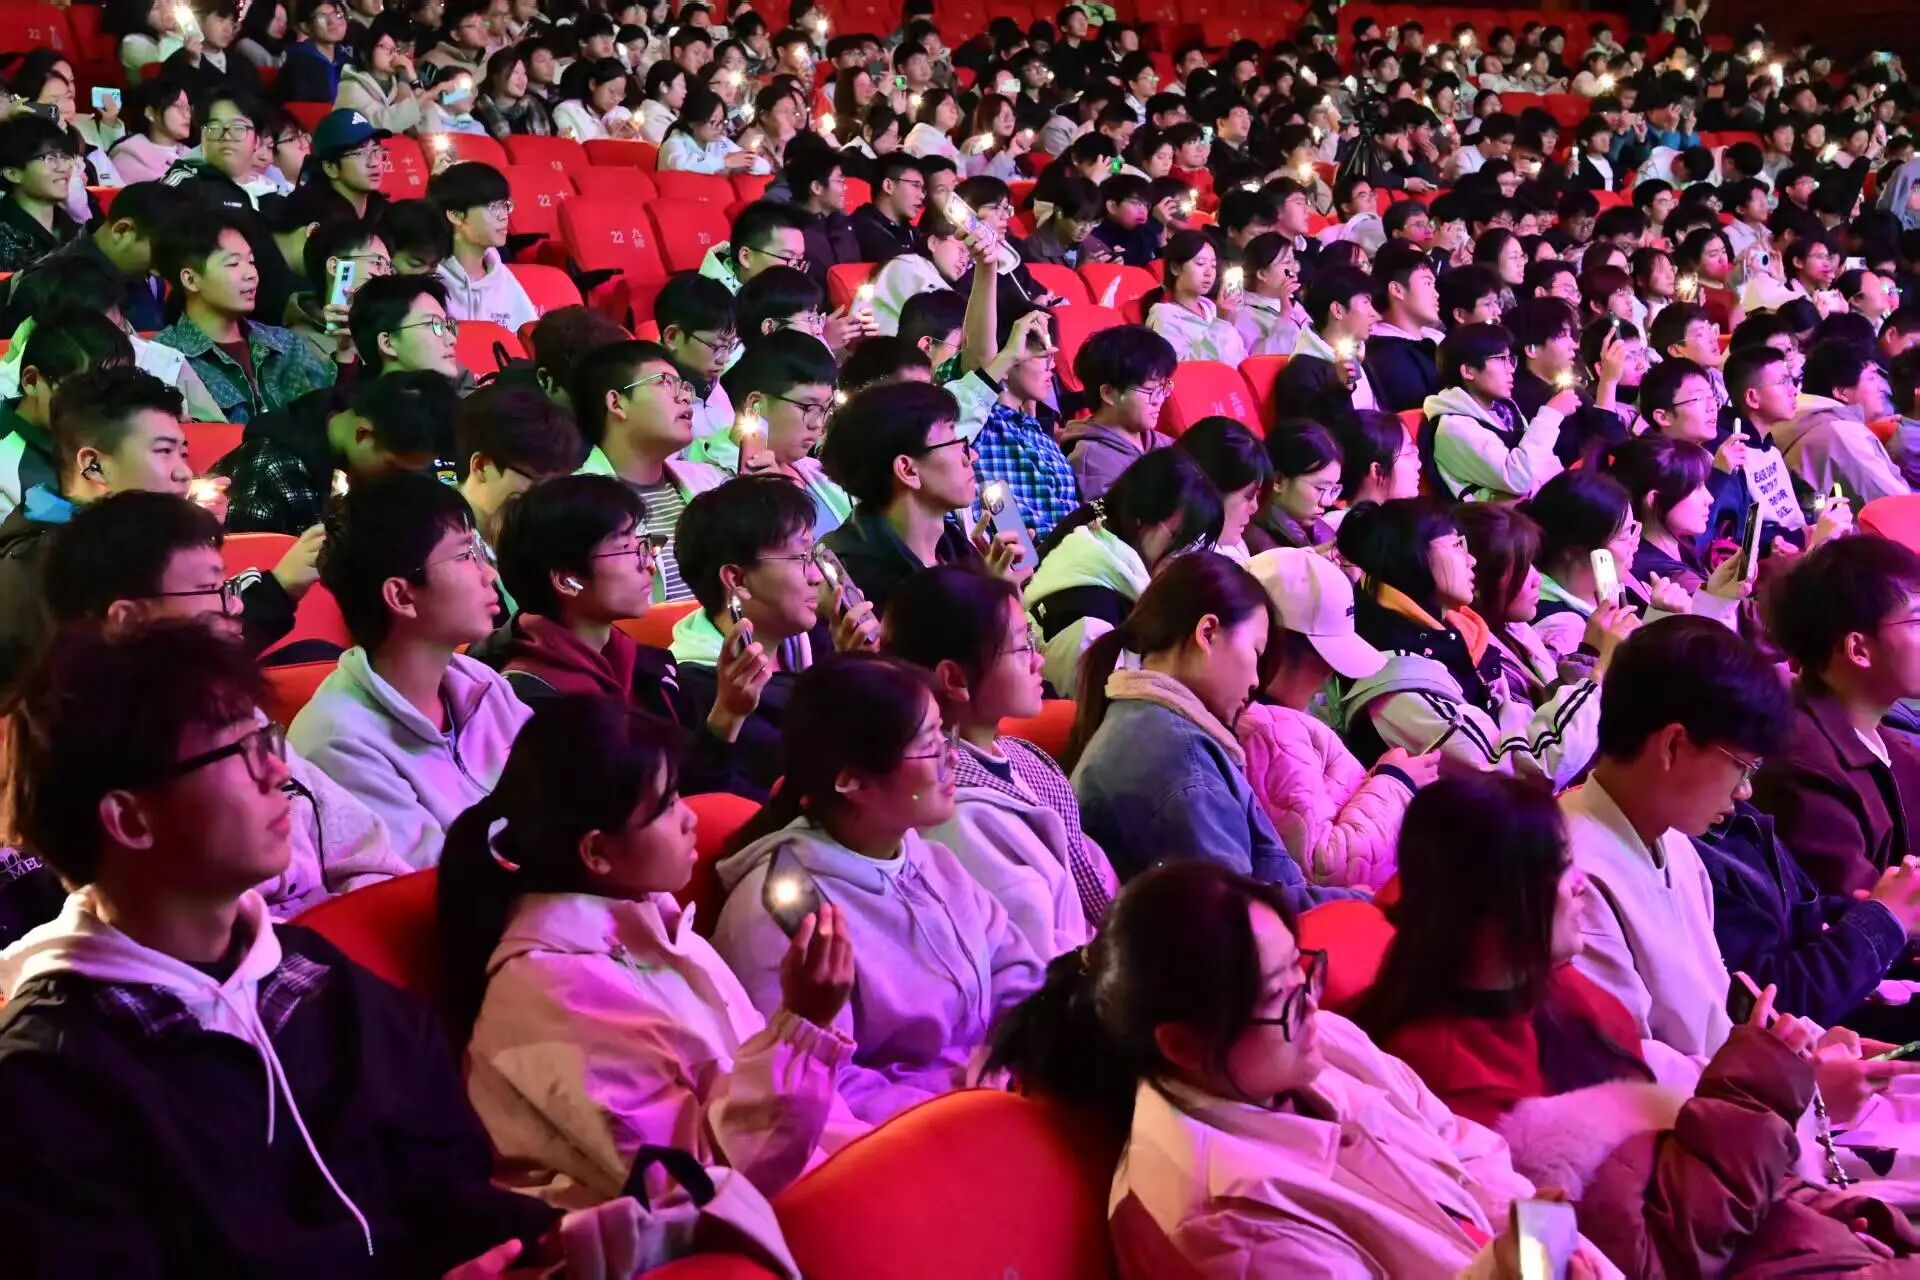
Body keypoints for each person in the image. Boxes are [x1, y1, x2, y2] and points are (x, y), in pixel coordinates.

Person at [0, 621, 586, 1275]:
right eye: (240, 752)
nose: (280, 773)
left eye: (267, 741)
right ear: (130, 820)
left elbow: (448, 1190)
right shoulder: (47, 1082)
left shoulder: (315, 975)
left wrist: (568, 1237)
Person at [1359, 775, 1920, 1279]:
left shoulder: (1562, 992)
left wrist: (1795, 1070)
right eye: (1558, 867)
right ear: (1495, 899)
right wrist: (1772, 1089)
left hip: (1768, 1209)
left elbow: (1678, 1116)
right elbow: (1601, 1258)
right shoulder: (1448, 1083)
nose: (1580, 884)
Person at [987, 859, 1587, 1279]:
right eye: (1280, 994)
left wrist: (1536, 1237)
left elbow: (1461, 1144)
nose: (1312, 1005)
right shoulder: (1226, 1227)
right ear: (1182, 1044)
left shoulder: (1317, 1048)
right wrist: (1524, 1261)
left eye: (1302, 970)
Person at [442, 690, 867, 1205]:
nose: (690, 819)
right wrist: (803, 1028)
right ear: (597, 851)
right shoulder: (554, 993)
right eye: (667, 807)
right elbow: (700, 1184)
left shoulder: (651, 920)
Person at [35, 491, 409, 919]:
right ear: (128, 619)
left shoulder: (237, 711)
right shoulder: (110, 759)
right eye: (212, 589)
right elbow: (193, 930)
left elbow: (369, 856)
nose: (235, 605)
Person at [711, 654, 1044, 1124]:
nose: (953, 756)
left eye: (944, 735)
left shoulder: (925, 858)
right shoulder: (789, 916)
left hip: (992, 1101)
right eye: (929, 745)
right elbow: (825, 1090)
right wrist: (962, 1100)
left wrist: (1011, 1056)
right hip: (913, 1137)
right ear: (852, 781)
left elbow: (1015, 969)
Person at [1067, 551, 1363, 910]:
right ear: (1208, 633)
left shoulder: (1151, 728)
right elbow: (1238, 916)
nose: (1256, 681)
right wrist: (1362, 904)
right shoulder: (1177, 762)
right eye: (1256, 653)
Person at [1560, 616, 1771, 1061]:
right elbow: (1630, 1070)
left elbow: (1713, 1017)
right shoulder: (1573, 877)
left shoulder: (1674, 842)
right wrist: (1784, 1080)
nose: (1745, 791)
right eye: (1741, 766)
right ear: (1673, 745)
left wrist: (1801, 1049)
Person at [288, 471, 524, 869]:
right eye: (465, 556)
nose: (490, 574)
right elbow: (437, 880)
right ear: (401, 596)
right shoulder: (339, 742)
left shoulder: (480, 682)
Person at [883, 564, 1117, 956]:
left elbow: (1088, 864)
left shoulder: (1017, 756)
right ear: (955, 678)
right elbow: (1036, 956)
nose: (1039, 660)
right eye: (1023, 647)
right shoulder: (951, 812)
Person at [1337, 498, 1625, 788]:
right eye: (1456, 545)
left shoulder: (1459, 634)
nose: (1470, 559)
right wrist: (1598, 670)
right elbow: (1529, 768)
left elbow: (1516, 725)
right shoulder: (1400, 686)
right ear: (1413, 555)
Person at [1236, 547, 1436, 891]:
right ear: (1273, 645)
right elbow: (1327, 868)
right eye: (1324, 658)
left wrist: (1376, 779)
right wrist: (1395, 781)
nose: (1329, 673)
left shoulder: (1272, 722)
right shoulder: (1269, 732)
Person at [669, 474, 876, 796]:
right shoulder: (698, 689)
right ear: (737, 579)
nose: (816, 576)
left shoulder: (821, 639)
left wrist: (858, 668)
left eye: (813, 555)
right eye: (800, 558)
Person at [1752, 536, 1920, 897]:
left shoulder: (1882, 739)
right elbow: (1874, 914)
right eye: (1918, 620)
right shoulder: (1803, 771)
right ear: (1859, 648)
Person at [1026, 448, 1221, 696]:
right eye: (1181, 538)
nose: (1185, 556)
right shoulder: (1093, 619)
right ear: (1142, 515)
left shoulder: (1097, 551)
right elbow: (1109, 713)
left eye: (1195, 546)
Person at [818, 379, 999, 616]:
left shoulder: (953, 546)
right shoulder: (861, 582)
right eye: (956, 444)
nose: (971, 456)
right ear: (908, 470)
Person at [573, 338, 728, 601]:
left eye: (684, 386)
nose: (685, 397)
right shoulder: (575, 507)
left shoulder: (713, 483)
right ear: (617, 403)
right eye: (666, 383)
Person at [215, 371, 454, 535]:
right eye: (394, 468)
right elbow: (247, 575)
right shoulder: (270, 471)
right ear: (363, 434)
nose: (401, 484)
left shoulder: (349, 439)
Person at [152, 213, 335, 425]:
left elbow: (327, 416)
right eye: (233, 264)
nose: (251, 274)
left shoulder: (285, 342)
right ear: (190, 279)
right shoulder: (165, 358)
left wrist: (345, 350)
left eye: (251, 261)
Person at [708, 331, 850, 534]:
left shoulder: (820, 473)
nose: (818, 424)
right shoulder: (709, 479)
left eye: (825, 409)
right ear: (756, 405)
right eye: (808, 407)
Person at [0, 311, 135, 519]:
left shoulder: (119, 439)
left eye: (116, 391)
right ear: (32, 381)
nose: (103, 406)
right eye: (87, 391)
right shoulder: (7, 469)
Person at [1425, 322, 1578, 502]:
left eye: (1510, 359)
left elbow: (1545, 464)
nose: (1511, 369)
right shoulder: (1453, 427)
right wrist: (1551, 414)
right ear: (1468, 371)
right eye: (1501, 359)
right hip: (1512, 516)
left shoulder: (1504, 411)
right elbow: (1519, 479)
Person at [1768, 339, 1906, 505]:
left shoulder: (1807, 419)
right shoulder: (1843, 435)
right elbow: (1897, 502)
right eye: (1871, 378)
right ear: (1841, 392)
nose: (1880, 387)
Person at [1059, 324, 1175, 504]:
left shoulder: (1163, 443)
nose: (1159, 399)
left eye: (1163, 387)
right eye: (1150, 390)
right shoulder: (1092, 462)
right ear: (1108, 394)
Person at [429, 160, 539, 332]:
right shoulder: (432, 279)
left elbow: (529, 337)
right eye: (493, 207)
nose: (504, 216)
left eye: (505, 205)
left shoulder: (502, 278)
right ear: (455, 215)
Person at [1272, 265, 1381, 436]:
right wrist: (1340, 390)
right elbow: (1316, 441)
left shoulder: (1363, 356)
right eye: (1366, 302)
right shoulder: (1301, 373)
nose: (1375, 314)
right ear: (1337, 310)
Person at [1143, 230, 1246, 365]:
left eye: (1213, 265)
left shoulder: (1211, 308)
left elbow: (1239, 357)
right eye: (1200, 263)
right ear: (1175, 268)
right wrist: (1221, 323)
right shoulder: (1163, 316)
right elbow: (1184, 369)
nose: (1209, 272)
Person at [1365, 242, 1445, 413]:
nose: (1436, 294)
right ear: (1397, 290)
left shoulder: (1438, 340)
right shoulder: (1385, 354)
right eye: (1427, 283)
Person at [1244, 419, 1341, 554]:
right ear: (1278, 481)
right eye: (1320, 488)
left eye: (1333, 490)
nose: (1327, 501)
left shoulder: (1324, 535)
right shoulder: (1257, 545)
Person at [0, 114, 82, 274]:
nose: (63, 167)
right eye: (49, 158)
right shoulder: (4, 239)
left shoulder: (77, 231)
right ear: (13, 173)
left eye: (65, 156)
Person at [698, 200, 811, 296]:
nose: (797, 272)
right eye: (788, 258)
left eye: (799, 261)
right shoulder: (709, 305)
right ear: (746, 257)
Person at [659, 85, 762, 175]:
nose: (720, 128)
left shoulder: (720, 142)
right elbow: (680, 164)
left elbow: (764, 166)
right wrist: (724, 162)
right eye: (713, 122)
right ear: (692, 123)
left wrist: (749, 163)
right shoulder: (674, 143)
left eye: (722, 121)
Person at [850, 151, 924, 264]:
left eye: (923, 189)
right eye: (915, 185)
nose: (922, 196)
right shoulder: (861, 229)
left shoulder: (912, 233)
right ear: (888, 186)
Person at [276, 0, 353, 103]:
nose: (333, 21)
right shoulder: (299, 61)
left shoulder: (347, 58)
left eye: (337, 14)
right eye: (322, 17)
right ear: (305, 26)